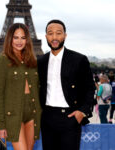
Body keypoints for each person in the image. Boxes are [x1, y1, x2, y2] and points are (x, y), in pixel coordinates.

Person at [38, 19, 95, 150]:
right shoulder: (40, 61)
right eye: (50, 33)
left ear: (65, 35)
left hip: (70, 117)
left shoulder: (79, 60)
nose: (54, 37)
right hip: (47, 118)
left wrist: (82, 112)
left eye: (58, 33)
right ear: (46, 36)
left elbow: (90, 88)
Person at [0, 23, 41, 150]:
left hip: (32, 113)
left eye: (23, 37)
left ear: (27, 40)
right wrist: (1, 124)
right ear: (10, 38)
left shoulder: (32, 60)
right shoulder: (3, 60)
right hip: (13, 114)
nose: (19, 41)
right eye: (16, 37)